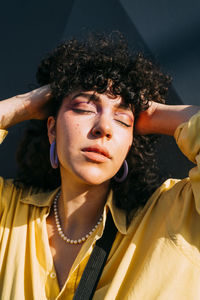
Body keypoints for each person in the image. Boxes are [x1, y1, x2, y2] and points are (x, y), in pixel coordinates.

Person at [0, 32, 199, 300]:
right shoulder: (7, 212)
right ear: (52, 130)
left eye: (122, 120)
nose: (104, 127)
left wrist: (153, 114)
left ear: (131, 141)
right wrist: (22, 105)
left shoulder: (178, 216)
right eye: (84, 108)